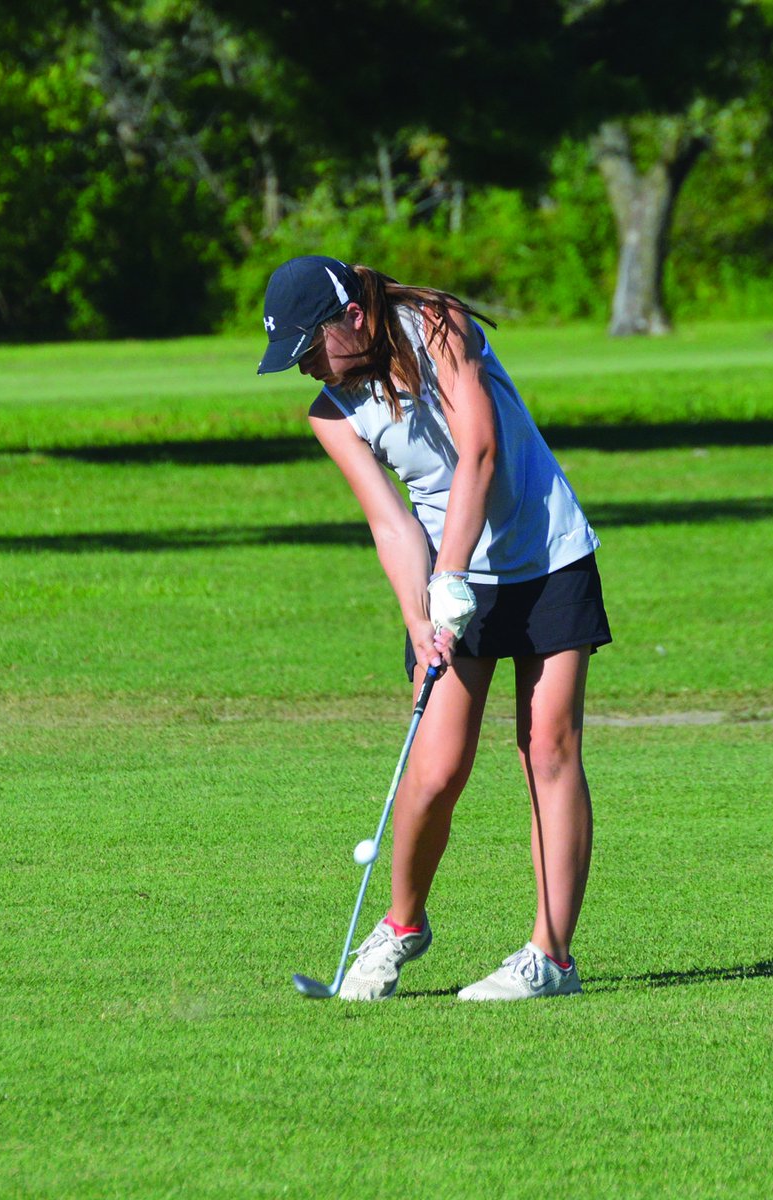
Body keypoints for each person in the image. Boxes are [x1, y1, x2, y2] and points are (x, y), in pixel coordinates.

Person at [257, 255, 611, 1001]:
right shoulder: (331, 411)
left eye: (310, 348)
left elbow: (478, 450)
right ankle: (401, 924)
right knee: (436, 769)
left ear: (352, 317)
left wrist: (450, 571)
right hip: (451, 580)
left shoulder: (437, 326)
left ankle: (550, 958)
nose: (308, 369)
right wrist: (421, 617)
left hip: (547, 554)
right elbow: (390, 525)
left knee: (546, 747)